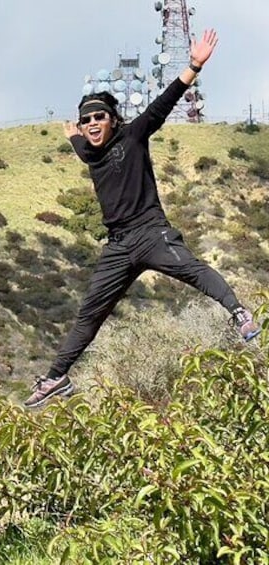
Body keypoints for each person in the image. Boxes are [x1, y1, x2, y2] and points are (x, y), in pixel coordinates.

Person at [25, 28, 261, 409]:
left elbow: (162, 104)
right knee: (90, 311)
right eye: (87, 121)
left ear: (114, 120)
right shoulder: (89, 150)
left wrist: (193, 66)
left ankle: (239, 314)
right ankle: (56, 378)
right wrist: (71, 136)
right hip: (118, 247)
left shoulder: (133, 136)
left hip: (151, 232)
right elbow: (83, 150)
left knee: (194, 270)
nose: (93, 124)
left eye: (100, 117)